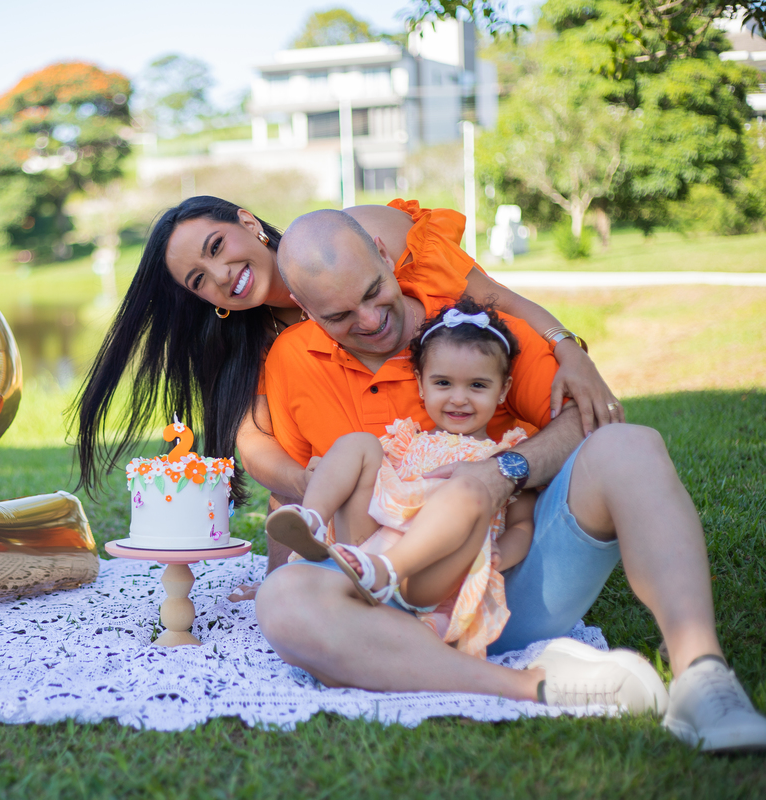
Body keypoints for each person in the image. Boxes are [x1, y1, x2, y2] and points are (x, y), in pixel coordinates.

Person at [254, 208, 766, 752]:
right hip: (386, 597)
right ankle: (535, 686)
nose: (370, 319)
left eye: (374, 291)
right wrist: (274, 565)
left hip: (508, 583)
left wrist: (505, 472)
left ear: (385, 254)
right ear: (305, 310)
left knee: (629, 445)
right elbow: (296, 489)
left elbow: (584, 415)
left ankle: (702, 678)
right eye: (338, 315)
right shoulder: (292, 359)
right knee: (281, 600)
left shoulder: (471, 328)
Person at [72, 196, 621, 573]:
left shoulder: (359, 235)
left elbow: (490, 298)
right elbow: (260, 445)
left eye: (216, 247)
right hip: (379, 495)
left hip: (470, 436)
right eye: (200, 280)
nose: (220, 276)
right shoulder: (263, 343)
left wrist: (566, 345)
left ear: (247, 222)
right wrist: (290, 528)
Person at [265, 298, 536, 658]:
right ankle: (311, 519)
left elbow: (522, 525)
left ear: (502, 390)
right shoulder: (408, 441)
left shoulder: (506, 456)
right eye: (443, 383)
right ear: (421, 387)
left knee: (470, 488)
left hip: (425, 576)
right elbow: (368, 481)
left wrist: (505, 551)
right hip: (366, 546)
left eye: (477, 386)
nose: (459, 399)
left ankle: (388, 569)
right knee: (358, 443)